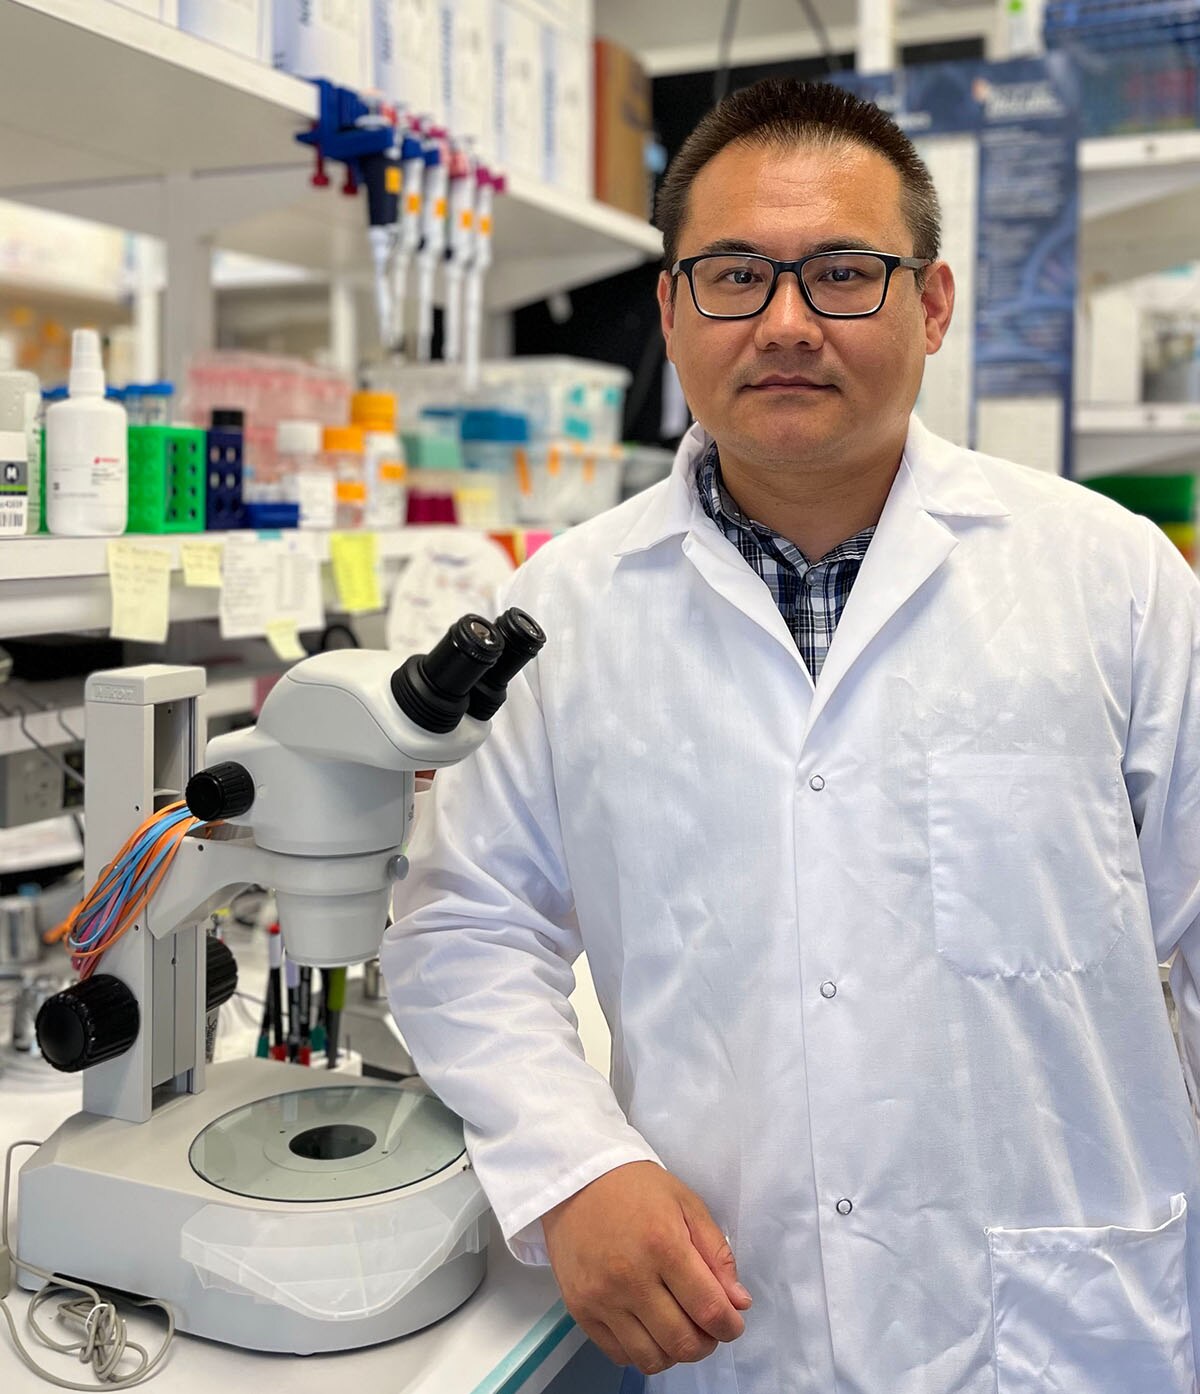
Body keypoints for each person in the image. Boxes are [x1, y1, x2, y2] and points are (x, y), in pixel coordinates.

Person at [381, 78, 1200, 1394]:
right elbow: (468, 922)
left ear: (932, 305)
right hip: (738, 1321)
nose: (784, 322)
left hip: (1075, 1332)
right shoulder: (567, 605)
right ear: (669, 309)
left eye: (843, 274)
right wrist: (577, 1163)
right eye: (733, 275)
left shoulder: (1109, 577)